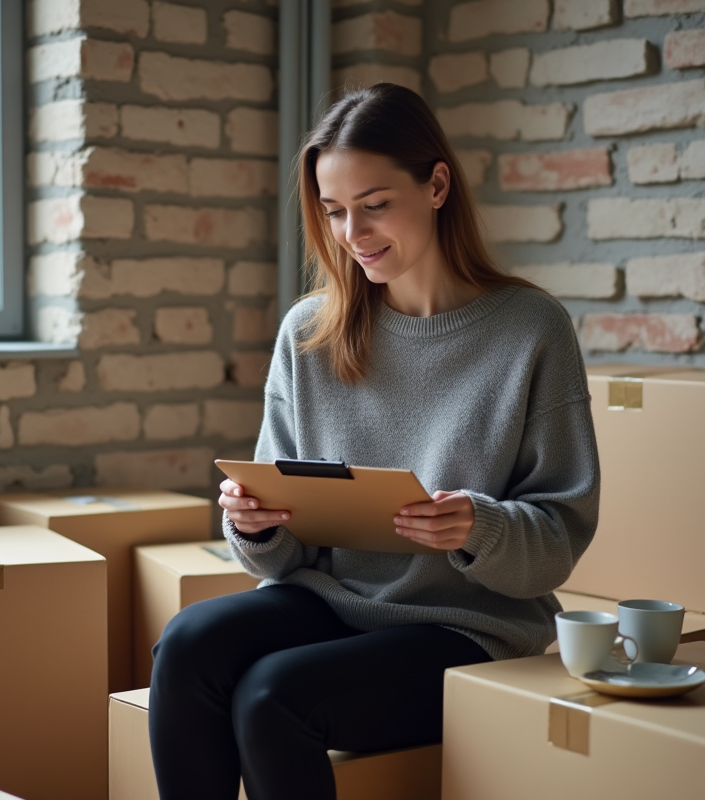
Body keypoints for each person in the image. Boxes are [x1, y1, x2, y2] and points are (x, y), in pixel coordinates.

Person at [148, 83, 600, 800]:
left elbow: (560, 538)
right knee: (185, 644)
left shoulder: (530, 330)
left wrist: (478, 526)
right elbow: (278, 557)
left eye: (375, 204)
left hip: (468, 624)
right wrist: (257, 524)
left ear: (437, 186)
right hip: (331, 600)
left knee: (271, 697)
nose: (351, 232)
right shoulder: (309, 332)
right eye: (333, 211)